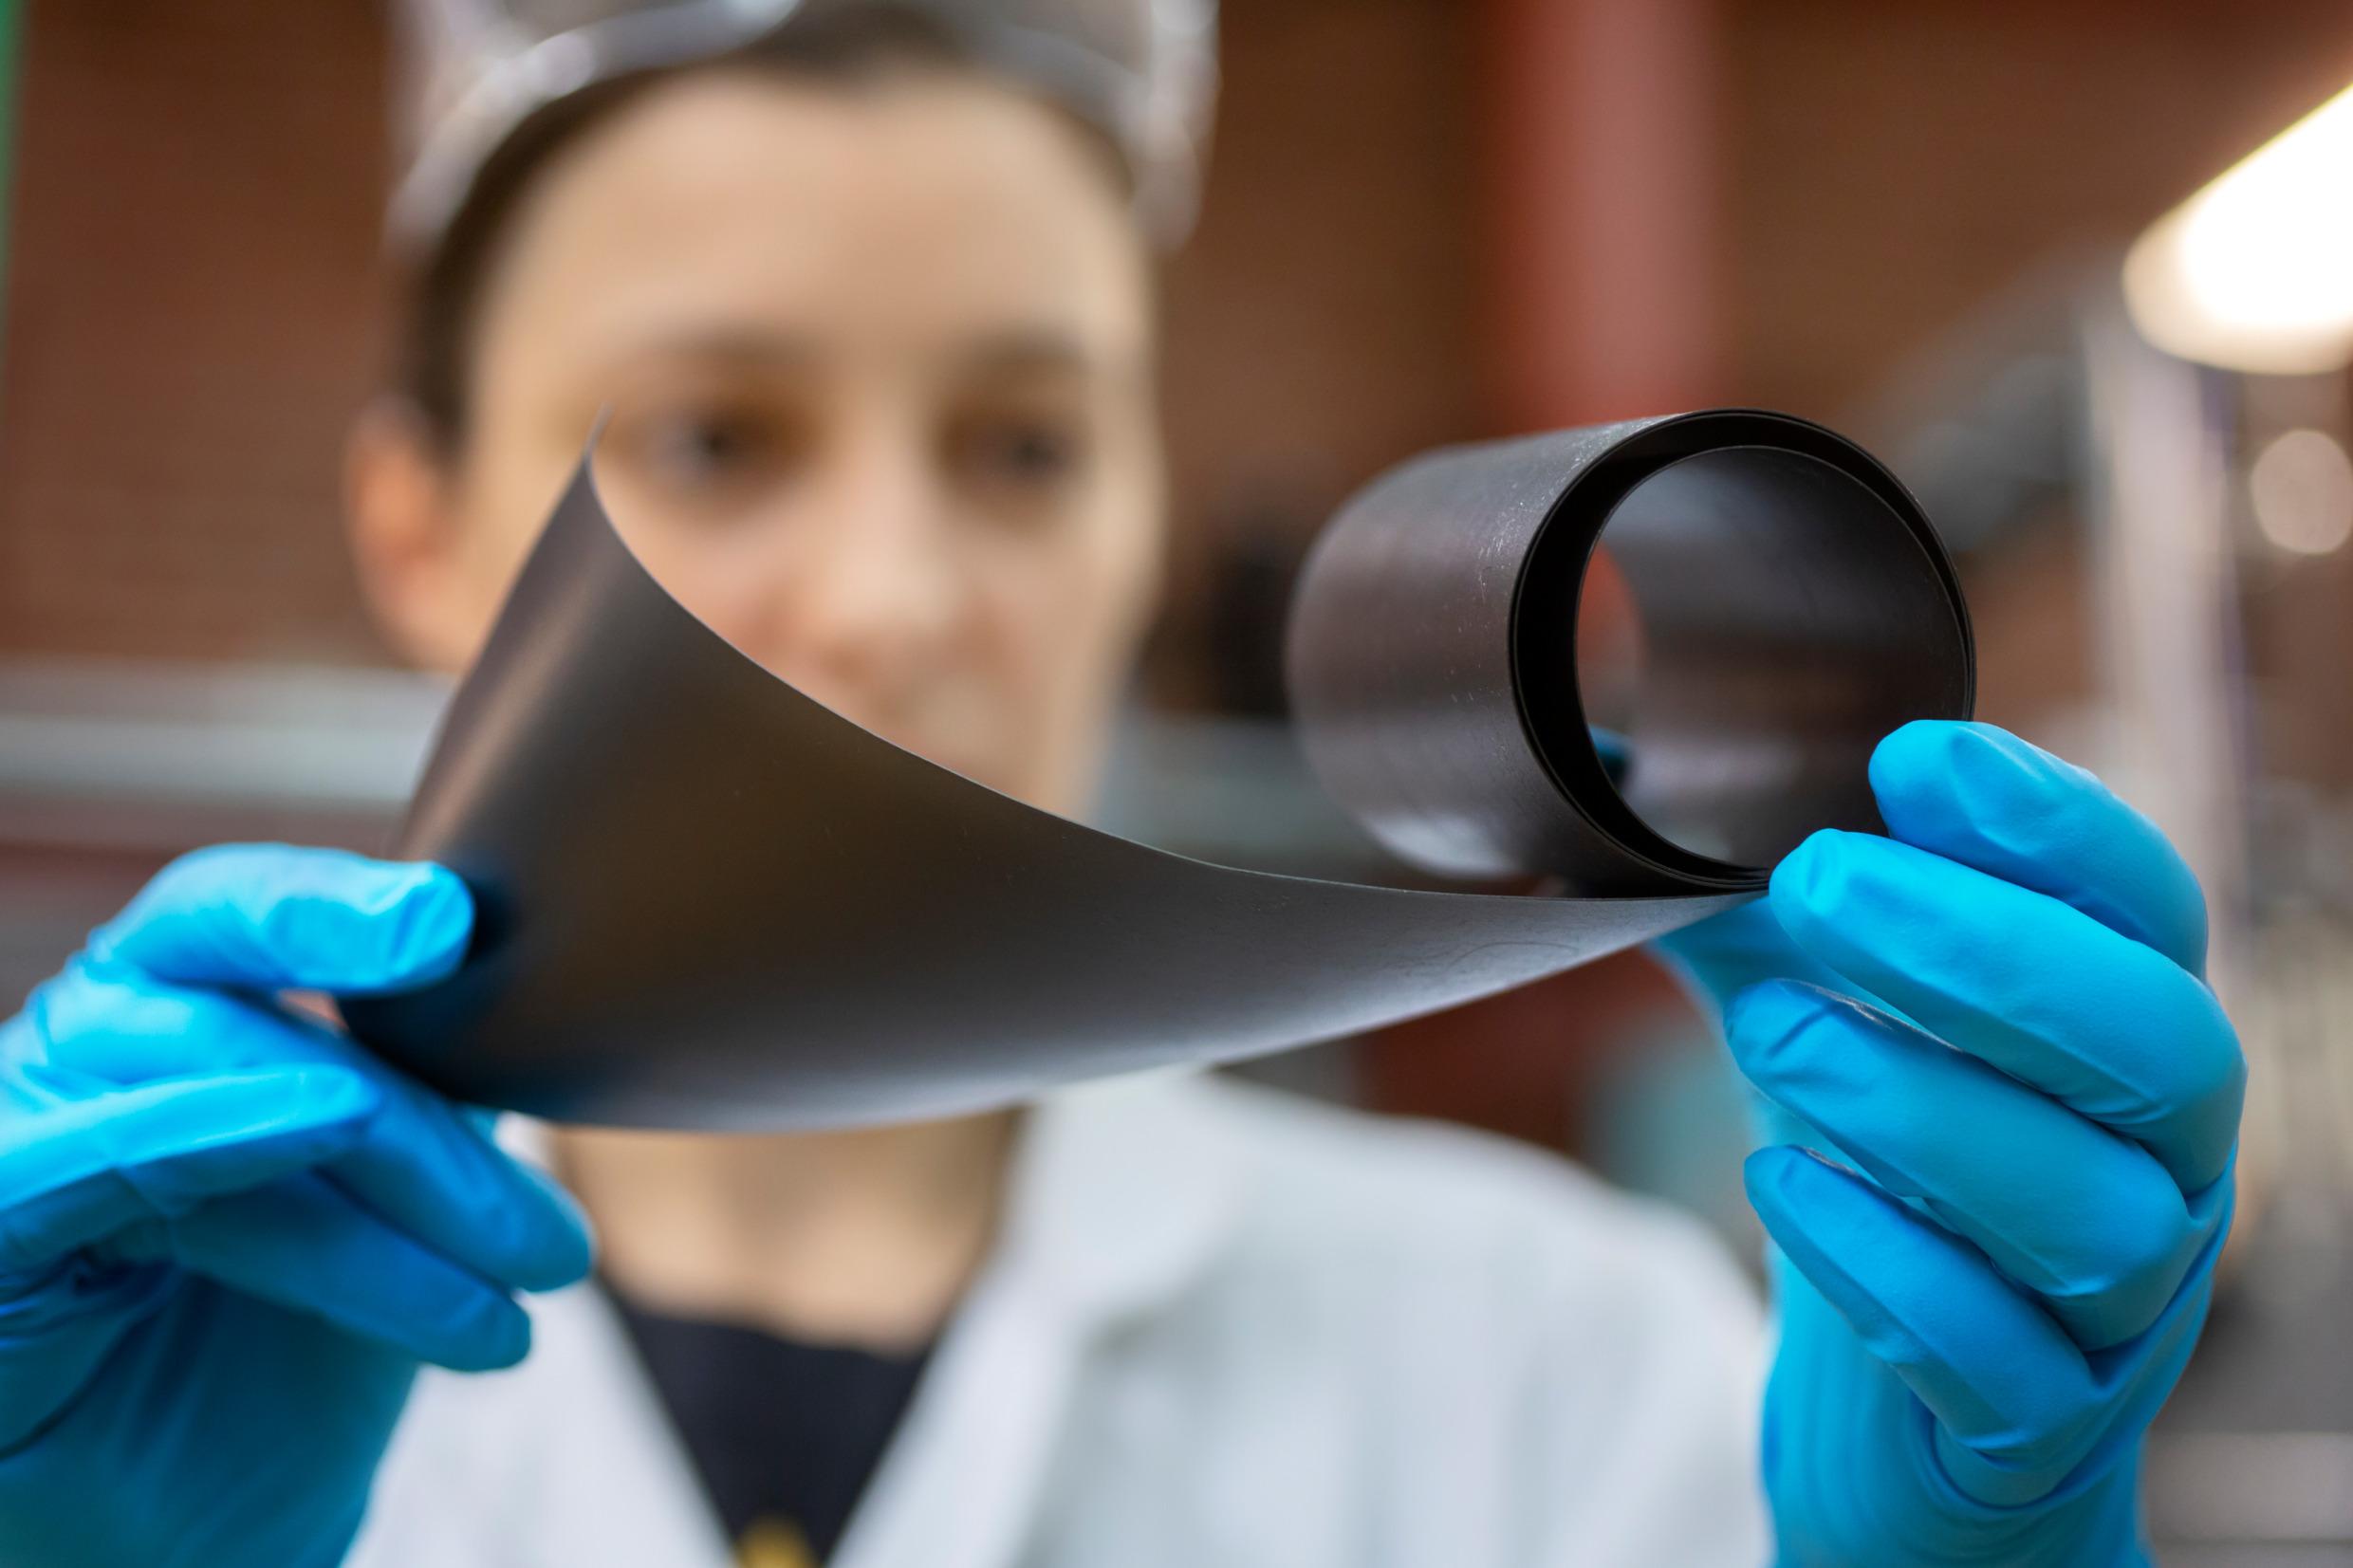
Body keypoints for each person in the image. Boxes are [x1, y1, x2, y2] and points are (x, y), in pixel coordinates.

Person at [0, 4, 2243, 1566]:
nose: (893, 596)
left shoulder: (1553, 1359)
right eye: (710, 436)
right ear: (418, 526)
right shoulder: (136, 1358)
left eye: (1024, 444)